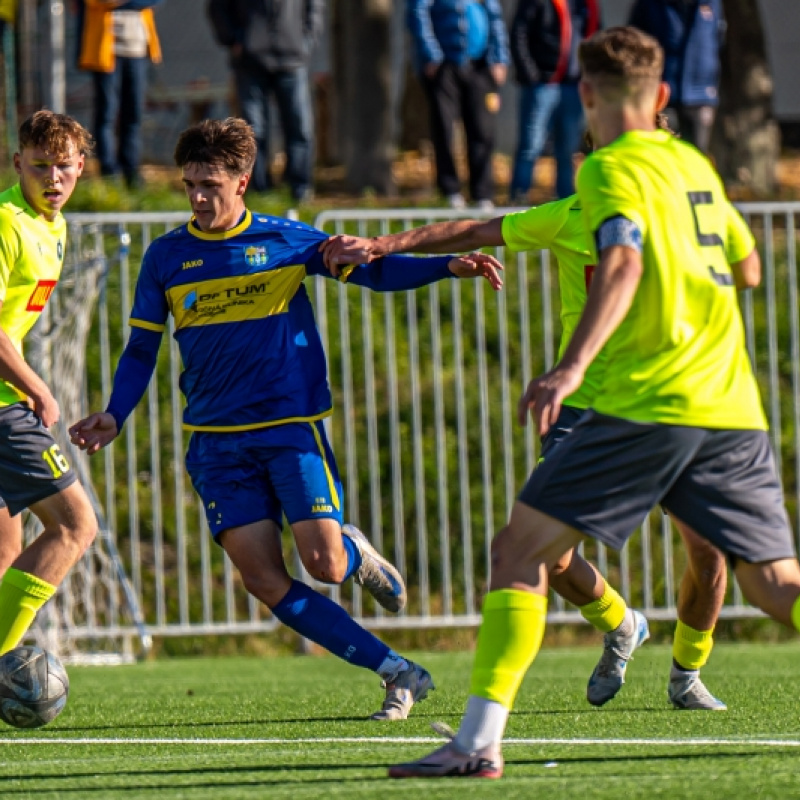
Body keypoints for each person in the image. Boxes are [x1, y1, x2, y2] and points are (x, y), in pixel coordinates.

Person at [383, 26, 800, 778]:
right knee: (773, 585)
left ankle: (477, 744)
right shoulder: (690, 163)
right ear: (665, 96)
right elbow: (746, 267)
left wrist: (571, 365)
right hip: (731, 402)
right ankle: (616, 643)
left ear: (585, 96)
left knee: (517, 552)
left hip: (648, 397)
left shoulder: (609, 169)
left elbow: (623, 260)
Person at [68, 117, 503, 721]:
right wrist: (116, 413)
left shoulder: (287, 241)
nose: (197, 197)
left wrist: (448, 265)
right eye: (189, 184)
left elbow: (371, 271)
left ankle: (353, 552)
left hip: (288, 431)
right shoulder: (166, 257)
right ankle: (396, 671)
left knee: (323, 565)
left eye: (210, 185)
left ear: (242, 182)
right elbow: (142, 348)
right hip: (216, 445)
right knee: (264, 581)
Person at [320, 125, 738, 712]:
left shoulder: (688, 219)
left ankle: (686, 673)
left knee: (709, 552)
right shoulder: (570, 216)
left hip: (674, 405)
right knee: (549, 555)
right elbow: (471, 227)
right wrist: (386, 243)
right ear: (587, 165)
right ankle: (621, 625)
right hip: (587, 406)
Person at [0, 110, 98, 656]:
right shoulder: (7, 222)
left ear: (81, 167)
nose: (53, 179)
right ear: (18, 164)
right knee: (75, 527)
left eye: (63, 167)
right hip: (2, 404)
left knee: (5, 553)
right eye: (40, 167)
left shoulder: (51, 226)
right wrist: (37, 388)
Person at [206, 0, 322, 202]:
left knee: (300, 127)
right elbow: (217, 7)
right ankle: (259, 189)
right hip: (251, 60)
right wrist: (234, 39)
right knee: (254, 130)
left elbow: (315, 7)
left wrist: (306, 41)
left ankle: (299, 189)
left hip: (292, 58)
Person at [407, 0, 510, 211]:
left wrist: (499, 58)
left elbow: (495, 19)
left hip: (479, 66)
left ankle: (482, 193)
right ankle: (450, 191)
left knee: (482, 130)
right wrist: (431, 55)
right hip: (444, 65)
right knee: (444, 129)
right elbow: (418, 11)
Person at [508, 0, 601, 202]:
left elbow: (596, 38)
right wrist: (531, 75)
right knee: (531, 146)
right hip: (542, 84)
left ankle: (566, 202)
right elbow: (519, 33)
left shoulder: (588, 4)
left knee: (567, 149)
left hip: (574, 86)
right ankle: (518, 199)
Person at [77, 0, 163, 188]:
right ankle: (109, 172)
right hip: (107, 49)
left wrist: (122, 3)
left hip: (137, 50)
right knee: (107, 113)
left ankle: (131, 170)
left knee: (133, 114)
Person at [628, 0, 725, 155]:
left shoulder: (712, 3)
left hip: (700, 94)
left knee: (697, 155)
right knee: (661, 152)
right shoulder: (650, 5)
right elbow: (634, 43)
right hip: (662, 93)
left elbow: (718, 40)